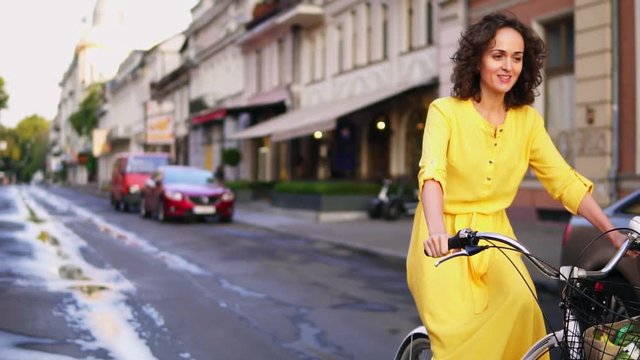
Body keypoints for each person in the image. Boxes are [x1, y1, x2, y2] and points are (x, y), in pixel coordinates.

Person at [406, 11, 636, 359]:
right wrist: (437, 234)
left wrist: (614, 233)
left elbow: (564, 182)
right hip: (444, 237)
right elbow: (433, 175)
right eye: (497, 55)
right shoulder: (445, 112)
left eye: (516, 58)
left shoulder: (527, 121)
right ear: (478, 59)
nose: (507, 66)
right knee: (461, 339)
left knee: (523, 310)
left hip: (495, 234)